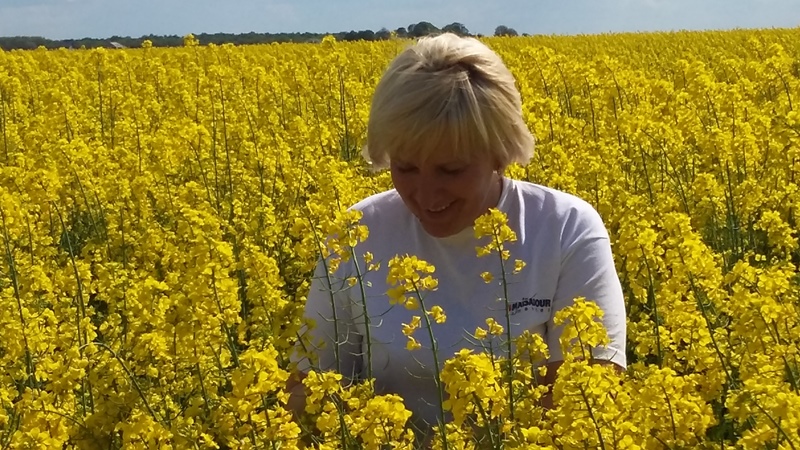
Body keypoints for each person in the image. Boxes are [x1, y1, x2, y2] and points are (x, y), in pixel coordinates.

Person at [288, 32, 626, 440]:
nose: (426, 196)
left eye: (451, 170)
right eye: (406, 168)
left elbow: (586, 395)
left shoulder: (565, 228)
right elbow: (311, 386)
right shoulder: (356, 233)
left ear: (500, 153)